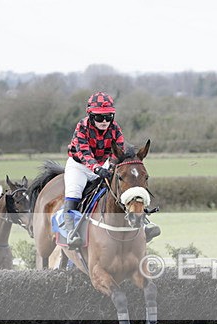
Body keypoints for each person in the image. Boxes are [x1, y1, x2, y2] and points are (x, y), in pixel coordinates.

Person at [63, 91, 159, 248]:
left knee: (123, 186)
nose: (104, 121)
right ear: (90, 116)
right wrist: (96, 168)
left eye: (108, 117)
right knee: (73, 193)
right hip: (79, 166)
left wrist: (113, 166)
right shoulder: (82, 127)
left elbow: (119, 151)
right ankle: (71, 233)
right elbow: (84, 152)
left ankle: (144, 222)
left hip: (104, 163)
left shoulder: (115, 128)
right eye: (99, 117)